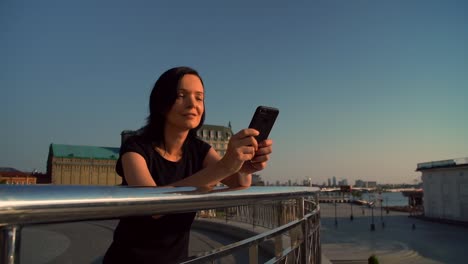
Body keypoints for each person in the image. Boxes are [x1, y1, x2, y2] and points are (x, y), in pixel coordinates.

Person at [103, 66, 273, 263]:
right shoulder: (136, 148)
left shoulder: (198, 149)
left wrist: (244, 165)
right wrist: (225, 165)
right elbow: (152, 207)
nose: (193, 104)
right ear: (161, 102)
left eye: (199, 98)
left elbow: (238, 182)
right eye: (181, 95)